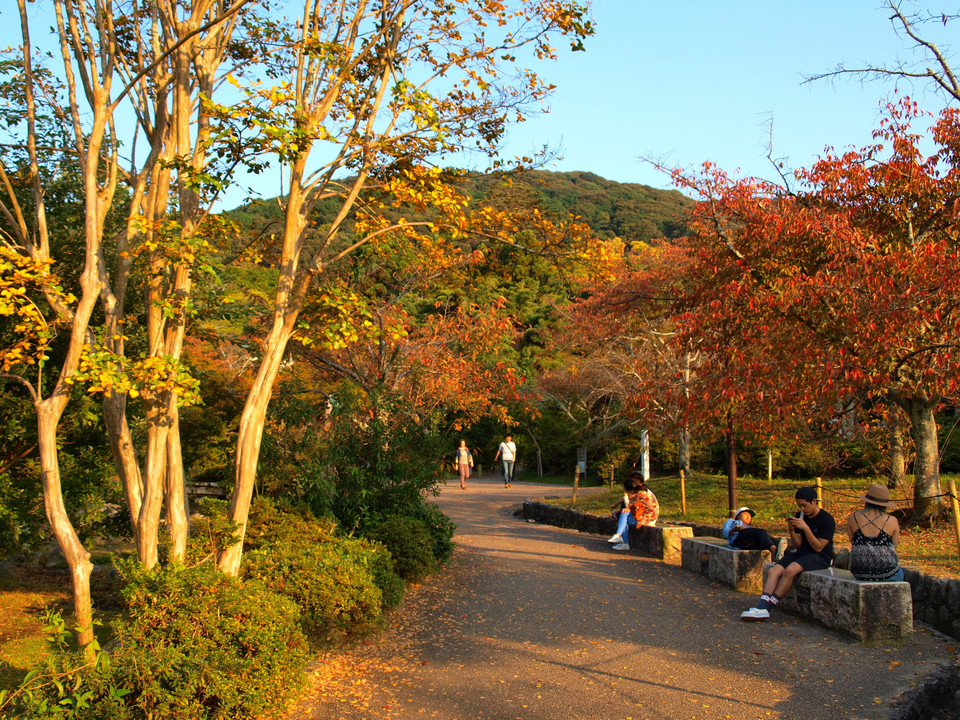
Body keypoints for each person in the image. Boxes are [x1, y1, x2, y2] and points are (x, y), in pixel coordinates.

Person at [740, 486, 835, 621]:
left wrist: (806, 528)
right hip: (802, 552)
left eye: (804, 505)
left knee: (790, 571)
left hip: (820, 556)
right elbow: (797, 545)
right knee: (774, 571)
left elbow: (819, 547)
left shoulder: (827, 519)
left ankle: (767, 608)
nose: (802, 509)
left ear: (814, 501)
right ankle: (761, 606)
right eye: (799, 506)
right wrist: (792, 530)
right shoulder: (800, 516)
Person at [846, 483, 903, 582]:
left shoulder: (852, 518)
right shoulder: (892, 520)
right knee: (900, 572)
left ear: (867, 501)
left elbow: (853, 541)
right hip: (887, 574)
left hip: (860, 572)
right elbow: (894, 547)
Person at [607, 471, 659, 551]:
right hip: (647, 515)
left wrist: (624, 494)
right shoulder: (642, 490)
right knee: (624, 514)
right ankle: (619, 536)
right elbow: (630, 505)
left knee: (624, 516)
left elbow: (628, 504)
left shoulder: (640, 493)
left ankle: (622, 539)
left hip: (648, 518)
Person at [723, 506, 788, 559]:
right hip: (739, 539)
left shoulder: (750, 528)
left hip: (750, 543)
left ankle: (788, 555)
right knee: (761, 532)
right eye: (745, 514)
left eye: (750, 516)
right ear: (738, 516)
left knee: (771, 539)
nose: (748, 517)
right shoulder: (731, 522)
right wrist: (735, 529)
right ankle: (774, 550)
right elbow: (725, 533)